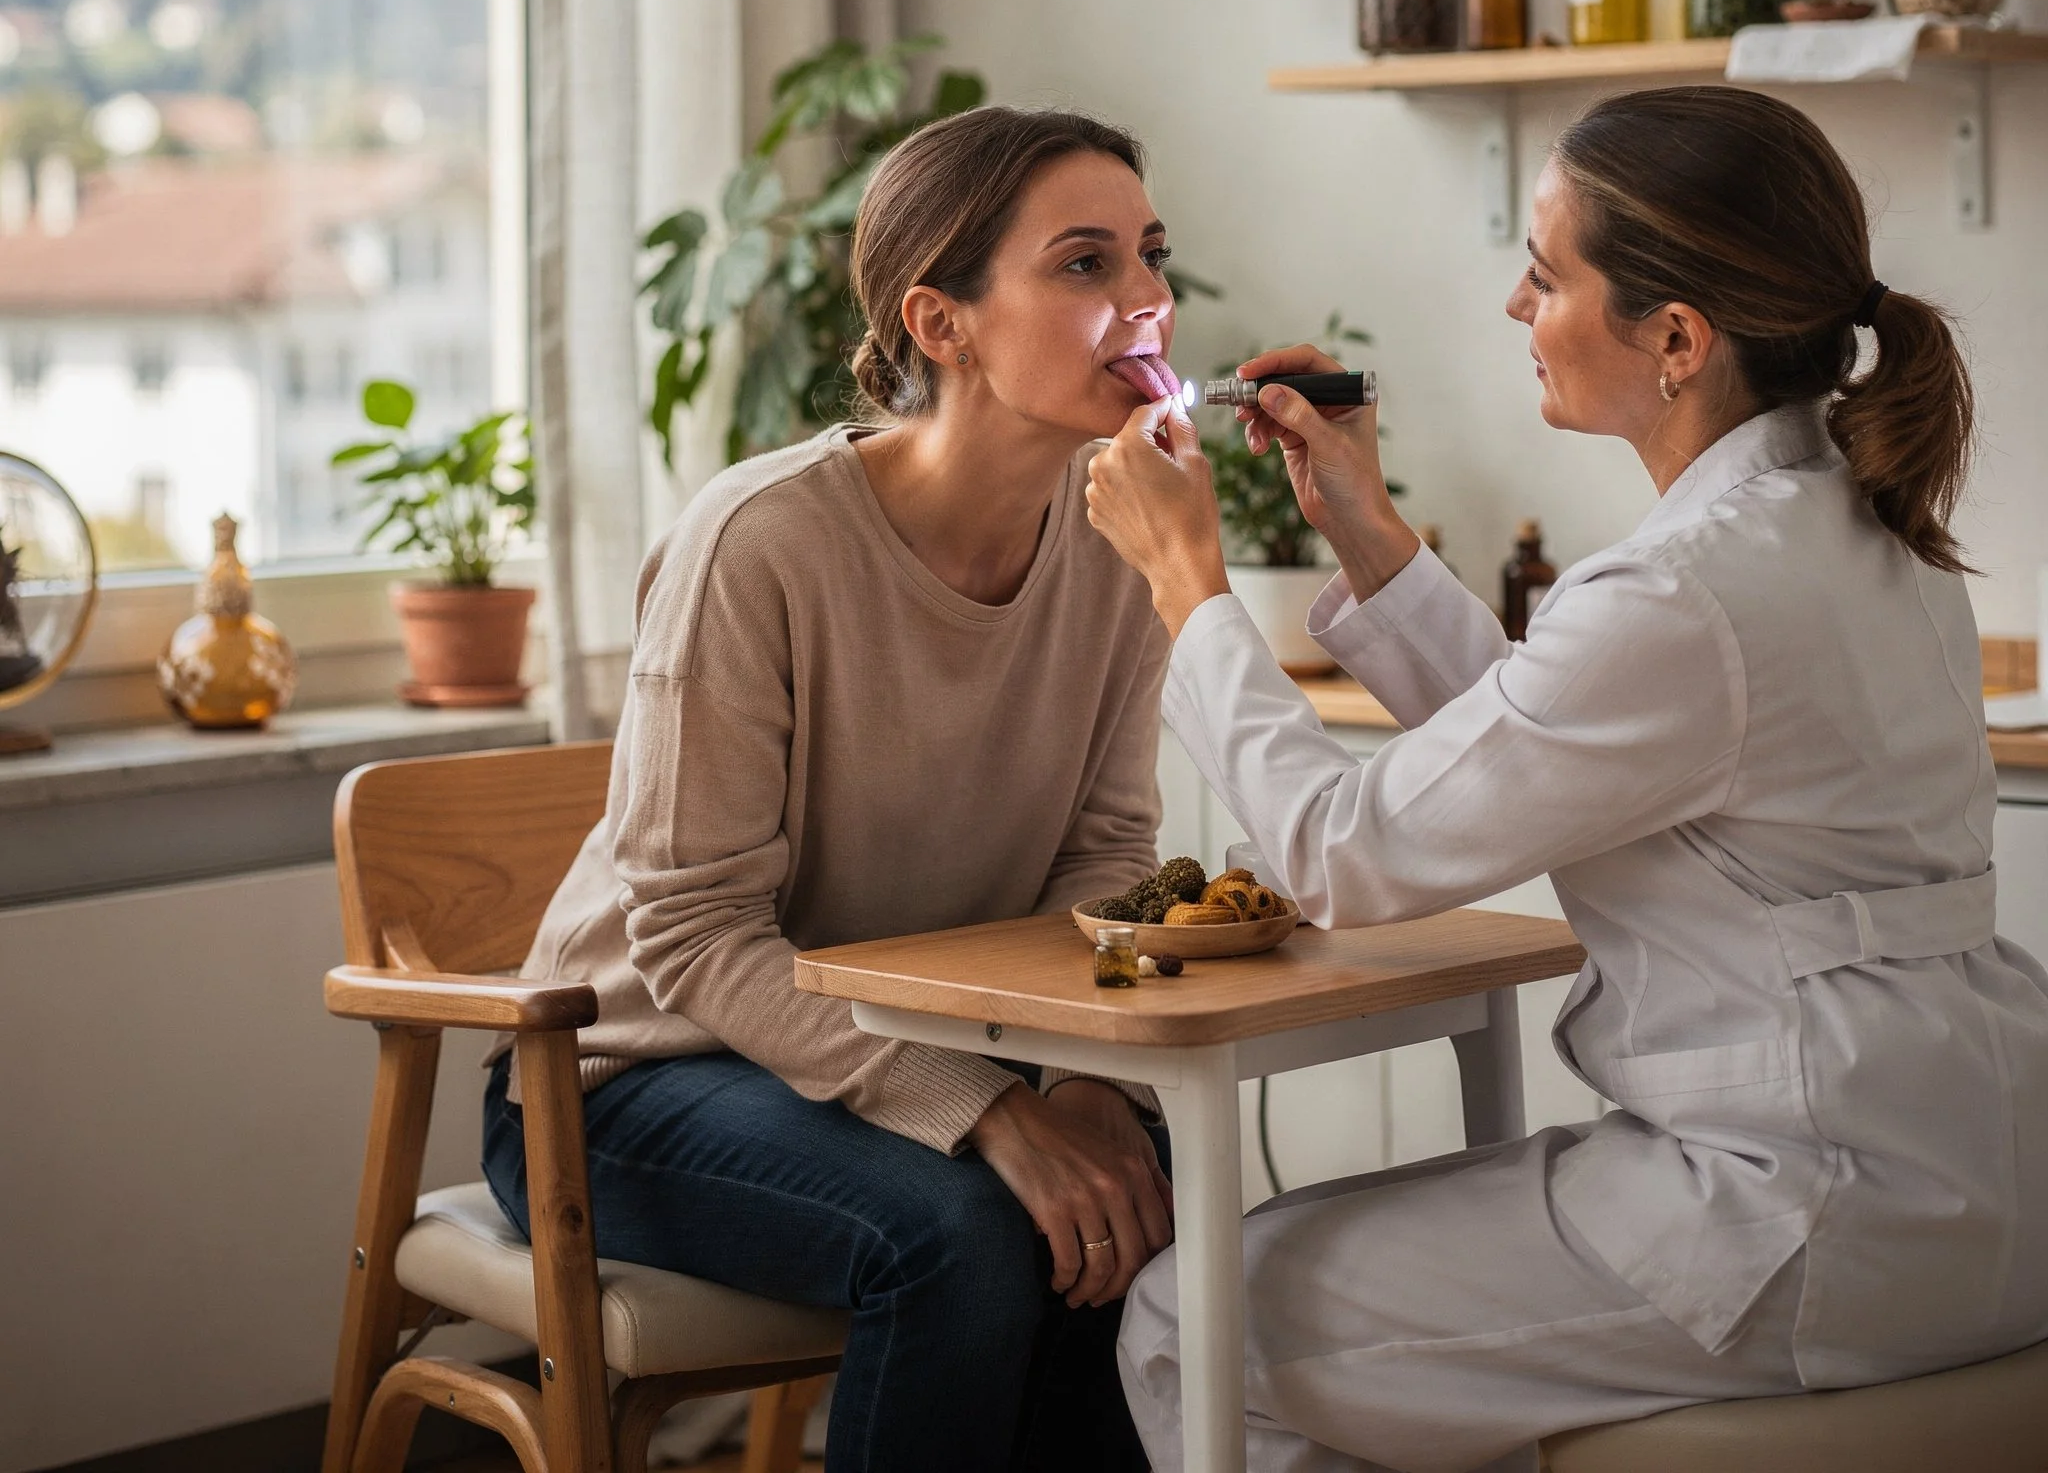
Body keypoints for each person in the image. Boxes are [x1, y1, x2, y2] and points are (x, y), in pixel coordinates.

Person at [1083, 85, 2048, 1473]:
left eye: (1544, 278)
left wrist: (1189, 584)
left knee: (1193, 1316)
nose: (1512, 308)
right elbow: (1544, 735)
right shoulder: (1856, 518)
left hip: (1810, 1207)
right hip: (1975, 1176)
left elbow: (1341, 855)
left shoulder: (1684, 588)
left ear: (1675, 338)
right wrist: (1361, 522)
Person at [485, 106, 1189, 1472]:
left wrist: (1082, 1083)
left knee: (1145, 1195)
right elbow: (691, 939)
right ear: (943, 323)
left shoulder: (1120, 544)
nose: (1149, 300)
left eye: (1150, 256)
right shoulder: (760, 544)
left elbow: (1105, 854)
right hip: (632, 1084)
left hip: (890, 1055)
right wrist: (990, 1112)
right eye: (1087, 265)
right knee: (968, 1234)